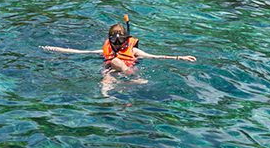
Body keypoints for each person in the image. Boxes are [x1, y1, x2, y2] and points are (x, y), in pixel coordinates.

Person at [42, 22, 196, 94]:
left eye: (119, 41)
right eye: (113, 41)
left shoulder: (134, 50)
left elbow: (156, 56)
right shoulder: (105, 50)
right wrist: (55, 49)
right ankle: (110, 99)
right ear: (109, 40)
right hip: (111, 71)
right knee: (106, 82)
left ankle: (131, 81)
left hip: (130, 70)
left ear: (125, 39)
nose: (116, 45)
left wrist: (180, 57)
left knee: (115, 63)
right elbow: (78, 52)